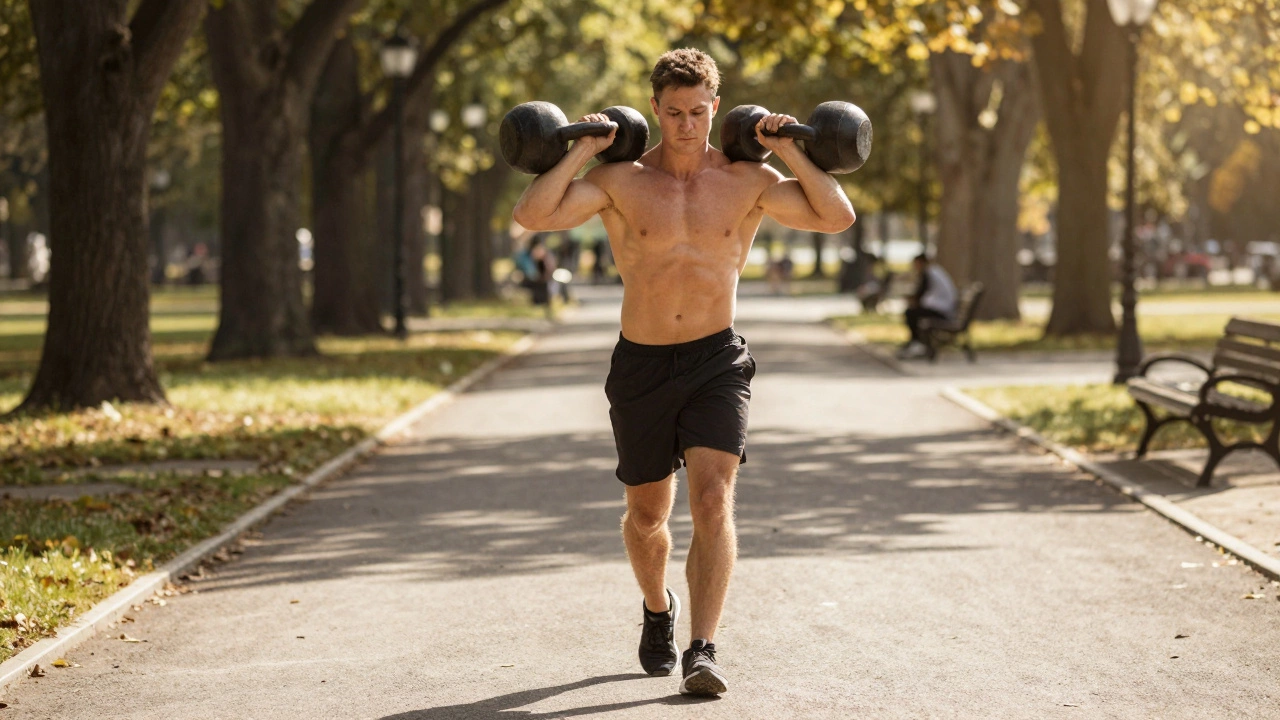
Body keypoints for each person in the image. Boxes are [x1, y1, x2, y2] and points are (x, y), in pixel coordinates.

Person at [511, 48, 856, 696]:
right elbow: (533, 214)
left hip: (714, 359)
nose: (687, 125)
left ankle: (703, 646)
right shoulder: (621, 180)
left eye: (698, 112)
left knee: (712, 497)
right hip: (640, 363)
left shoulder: (748, 180)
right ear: (654, 110)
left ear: (716, 108)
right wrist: (584, 148)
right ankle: (657, 608)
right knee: (646, 518)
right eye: (674, 113)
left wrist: (789, 148)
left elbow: (837, 216)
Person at [898, 253, 957, 359]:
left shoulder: (928, 272)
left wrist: (911, 299)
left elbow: (921, 293)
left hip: (942, 310)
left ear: (921, 263)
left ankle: (917, 343)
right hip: (944, 308)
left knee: (911, 313)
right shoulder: (935, 271)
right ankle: (917, 342)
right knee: (914, 312)